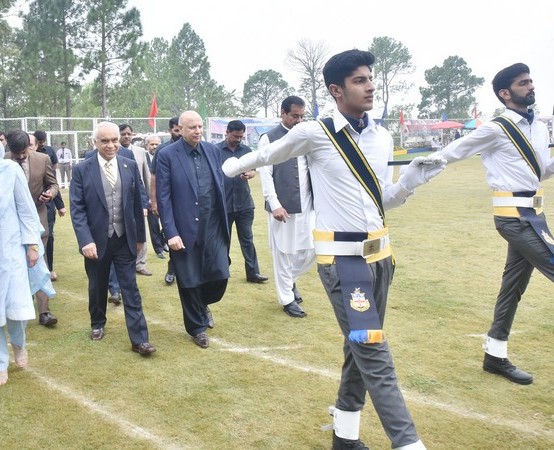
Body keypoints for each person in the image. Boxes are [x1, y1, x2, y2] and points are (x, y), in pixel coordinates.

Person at [223, 49, 446, 450]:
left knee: (358, 346)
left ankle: (344, 435)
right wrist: (234, 166)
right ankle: (408, 442)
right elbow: (270, 154)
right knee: (373, 350)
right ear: (336, 90)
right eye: (360, 80)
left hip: (382, 258)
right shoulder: (315, 132)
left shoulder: (381, 137)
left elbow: (382, 200)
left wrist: (412, 180)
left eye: (371, 78)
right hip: (343, 263)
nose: (371, 86)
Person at [433, 63, 553, 385]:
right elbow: (451, 152)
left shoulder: (540, 128)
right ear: (505, 93)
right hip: (513, 219)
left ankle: (495, 356)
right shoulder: (496, 129)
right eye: (523, 83)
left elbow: (539, 172)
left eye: (531, 80)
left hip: (535, 216)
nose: (530, 86)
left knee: (512, 288)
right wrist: (413, 174)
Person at [69, 121, 155, 356]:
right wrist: (85, 241)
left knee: (130, 288)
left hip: (124, 239)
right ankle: (97, 323)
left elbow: (137, 205)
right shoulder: (82, 170)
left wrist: (140, 238)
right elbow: (77, 209)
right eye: (105, 141)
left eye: (114, 140)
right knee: (97, 286)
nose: (111, 145)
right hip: (96, 242)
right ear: (95, 142)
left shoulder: (129, 165)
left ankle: (140, 340)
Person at [156, 111, 230, 349]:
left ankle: (202, 304)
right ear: (180, 129)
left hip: (214, 225)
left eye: (200, 126)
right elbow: (163, 197)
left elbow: (220, 185)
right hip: (184, 228)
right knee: (189, 280)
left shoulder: (213, 151)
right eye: (192, 127)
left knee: (220, 274)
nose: (198, 131)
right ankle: (197, 328)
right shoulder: (167, 155)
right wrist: (171, 232)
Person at [258, 96, 316, 318]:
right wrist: (274, 204)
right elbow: (265, 173)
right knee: (284, 253)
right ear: (282, 113)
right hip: (283, 206)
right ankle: (287, 299)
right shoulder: (269, 138)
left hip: (308, 204)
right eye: (294, 116)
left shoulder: (306, 137)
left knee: (313, 249)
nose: (299, 120)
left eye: (302, 116)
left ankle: (289, 280)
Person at [0, 159, 54, 385]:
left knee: (15, 304)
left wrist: (32, 245)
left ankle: (19, 345)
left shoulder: (10, 170)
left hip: (11, 249)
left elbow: (26, 209)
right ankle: (1, 362)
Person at [5, 130, 60, 327]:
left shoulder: (42, 159)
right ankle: (15, 309)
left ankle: (44, 312)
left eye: (24, 152)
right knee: (13, 266)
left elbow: (54, 185)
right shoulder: (4, 161)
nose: (21, 156)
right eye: (17, 153)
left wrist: (50, 194)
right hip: (10, 224)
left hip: (38, 220)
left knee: (39, 264)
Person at [218, 120, 268, 284]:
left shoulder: (246, 150)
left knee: (247, 240)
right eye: (235, 136)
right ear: (227, 132)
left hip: (244, 204)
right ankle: (222, 271)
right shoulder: (215, 151)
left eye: (241, 136)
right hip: (223, 204)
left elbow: (253, 169)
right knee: (223, 240)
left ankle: (253, 273)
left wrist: (250, 174)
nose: (238, 139)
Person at [150, 117, 181, 285]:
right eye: (176, 130)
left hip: (189, 202)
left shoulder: (194, 147)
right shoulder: (162, 150)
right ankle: (172, 269)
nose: (180, 133)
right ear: (170, 131)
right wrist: (154, 202)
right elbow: (154, 176)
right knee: (172, 234)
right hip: (168, 201)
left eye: (181, 129)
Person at [119, 123, 152, 277]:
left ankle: (140, 264)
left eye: (129, 133)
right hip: (121, 200)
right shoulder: (114, 151)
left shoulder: (140, 151)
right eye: (123, 134)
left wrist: (147, 201)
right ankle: (125, 264)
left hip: (138, 199)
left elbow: (145, 176)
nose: (126, 136)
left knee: (141, 232)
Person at [144, 134, 165, 259]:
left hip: (164, 196)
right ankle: (158, 249)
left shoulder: (164, 155)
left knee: (167, 222)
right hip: (149, 197)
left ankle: (164, 241)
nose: (154, 146)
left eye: (157, 144)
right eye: (152, 144)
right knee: (153, 225)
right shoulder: (143, 158)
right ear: (147, 145)